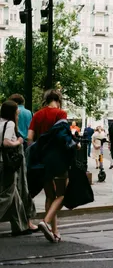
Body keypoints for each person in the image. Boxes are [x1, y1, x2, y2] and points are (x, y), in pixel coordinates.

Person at [27, 89, 70, 243]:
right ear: (58, 99)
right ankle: (45, 222)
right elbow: (64, 137)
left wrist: (37, 151)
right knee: (62, 194)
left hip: (42, 160)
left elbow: (29, 137)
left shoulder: (37, 114)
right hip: (58, 159)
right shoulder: (61, 114)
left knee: (50, 195)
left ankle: (54, 231)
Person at [0, 100, 38, 236]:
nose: (18, 114)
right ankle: (21, 226)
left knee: (15, 196)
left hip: (2, 163)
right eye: (16, 112)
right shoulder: (9, 124)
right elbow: (5, 142)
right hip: (7, 164)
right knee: (7, 194)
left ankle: (20, 226)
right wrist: (18, 141)